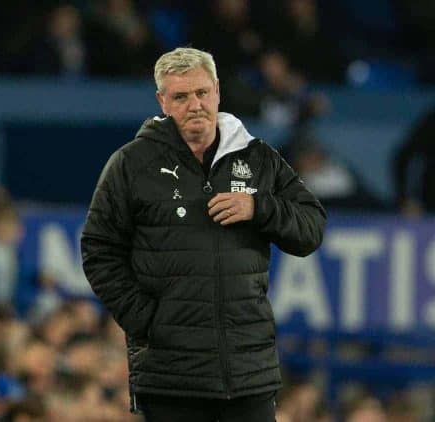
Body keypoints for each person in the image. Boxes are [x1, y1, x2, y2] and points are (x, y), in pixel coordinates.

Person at [81, 47, 326, 421]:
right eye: (180, 96)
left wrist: (259, 208)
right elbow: (99, 249)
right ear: (162, 101)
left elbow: (311, 229)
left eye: (201, 93)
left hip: (249, 372)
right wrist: (148, 320)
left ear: (216, 92)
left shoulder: (258, 158)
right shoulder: (131, 164)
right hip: (170, 375)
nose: (195, 105)